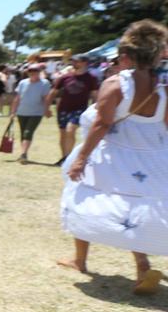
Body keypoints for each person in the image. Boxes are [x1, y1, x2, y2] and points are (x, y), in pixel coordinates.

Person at [57, 20, 168, 294]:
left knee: (83, 197)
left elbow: (101, 124)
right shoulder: (162, 90)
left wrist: (81, 158)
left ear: (126, 56)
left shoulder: (117, 84)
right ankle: (142, 266)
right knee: (136, 211)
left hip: (111, 157)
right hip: (149, 162)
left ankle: (80, 260)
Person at [47, 55, 100, 166]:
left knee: (70, 130)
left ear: (85, 63)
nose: (74, 63)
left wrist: (96, 109)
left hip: (80, 109)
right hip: (63, 109)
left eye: (77, 61)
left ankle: (70, 158)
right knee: (63, 134)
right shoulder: (64, 77)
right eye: (73, 61)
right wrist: (46, 107)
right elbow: (53, 92)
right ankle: (65, 158)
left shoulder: (91, 78)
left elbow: (95, 95)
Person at [10, 64, 51, 163]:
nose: (32, 73)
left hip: (36, 112)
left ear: (39, 72)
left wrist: (47, 109)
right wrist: (13, 111)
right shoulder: (22, 83)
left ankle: (23, 154)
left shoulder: (44, 83)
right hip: (22, 112)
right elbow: (18, 98)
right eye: (30, 71)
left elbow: (46, 98)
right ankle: (24, 153)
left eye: (35, 71)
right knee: (23, 133)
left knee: (28, 132)